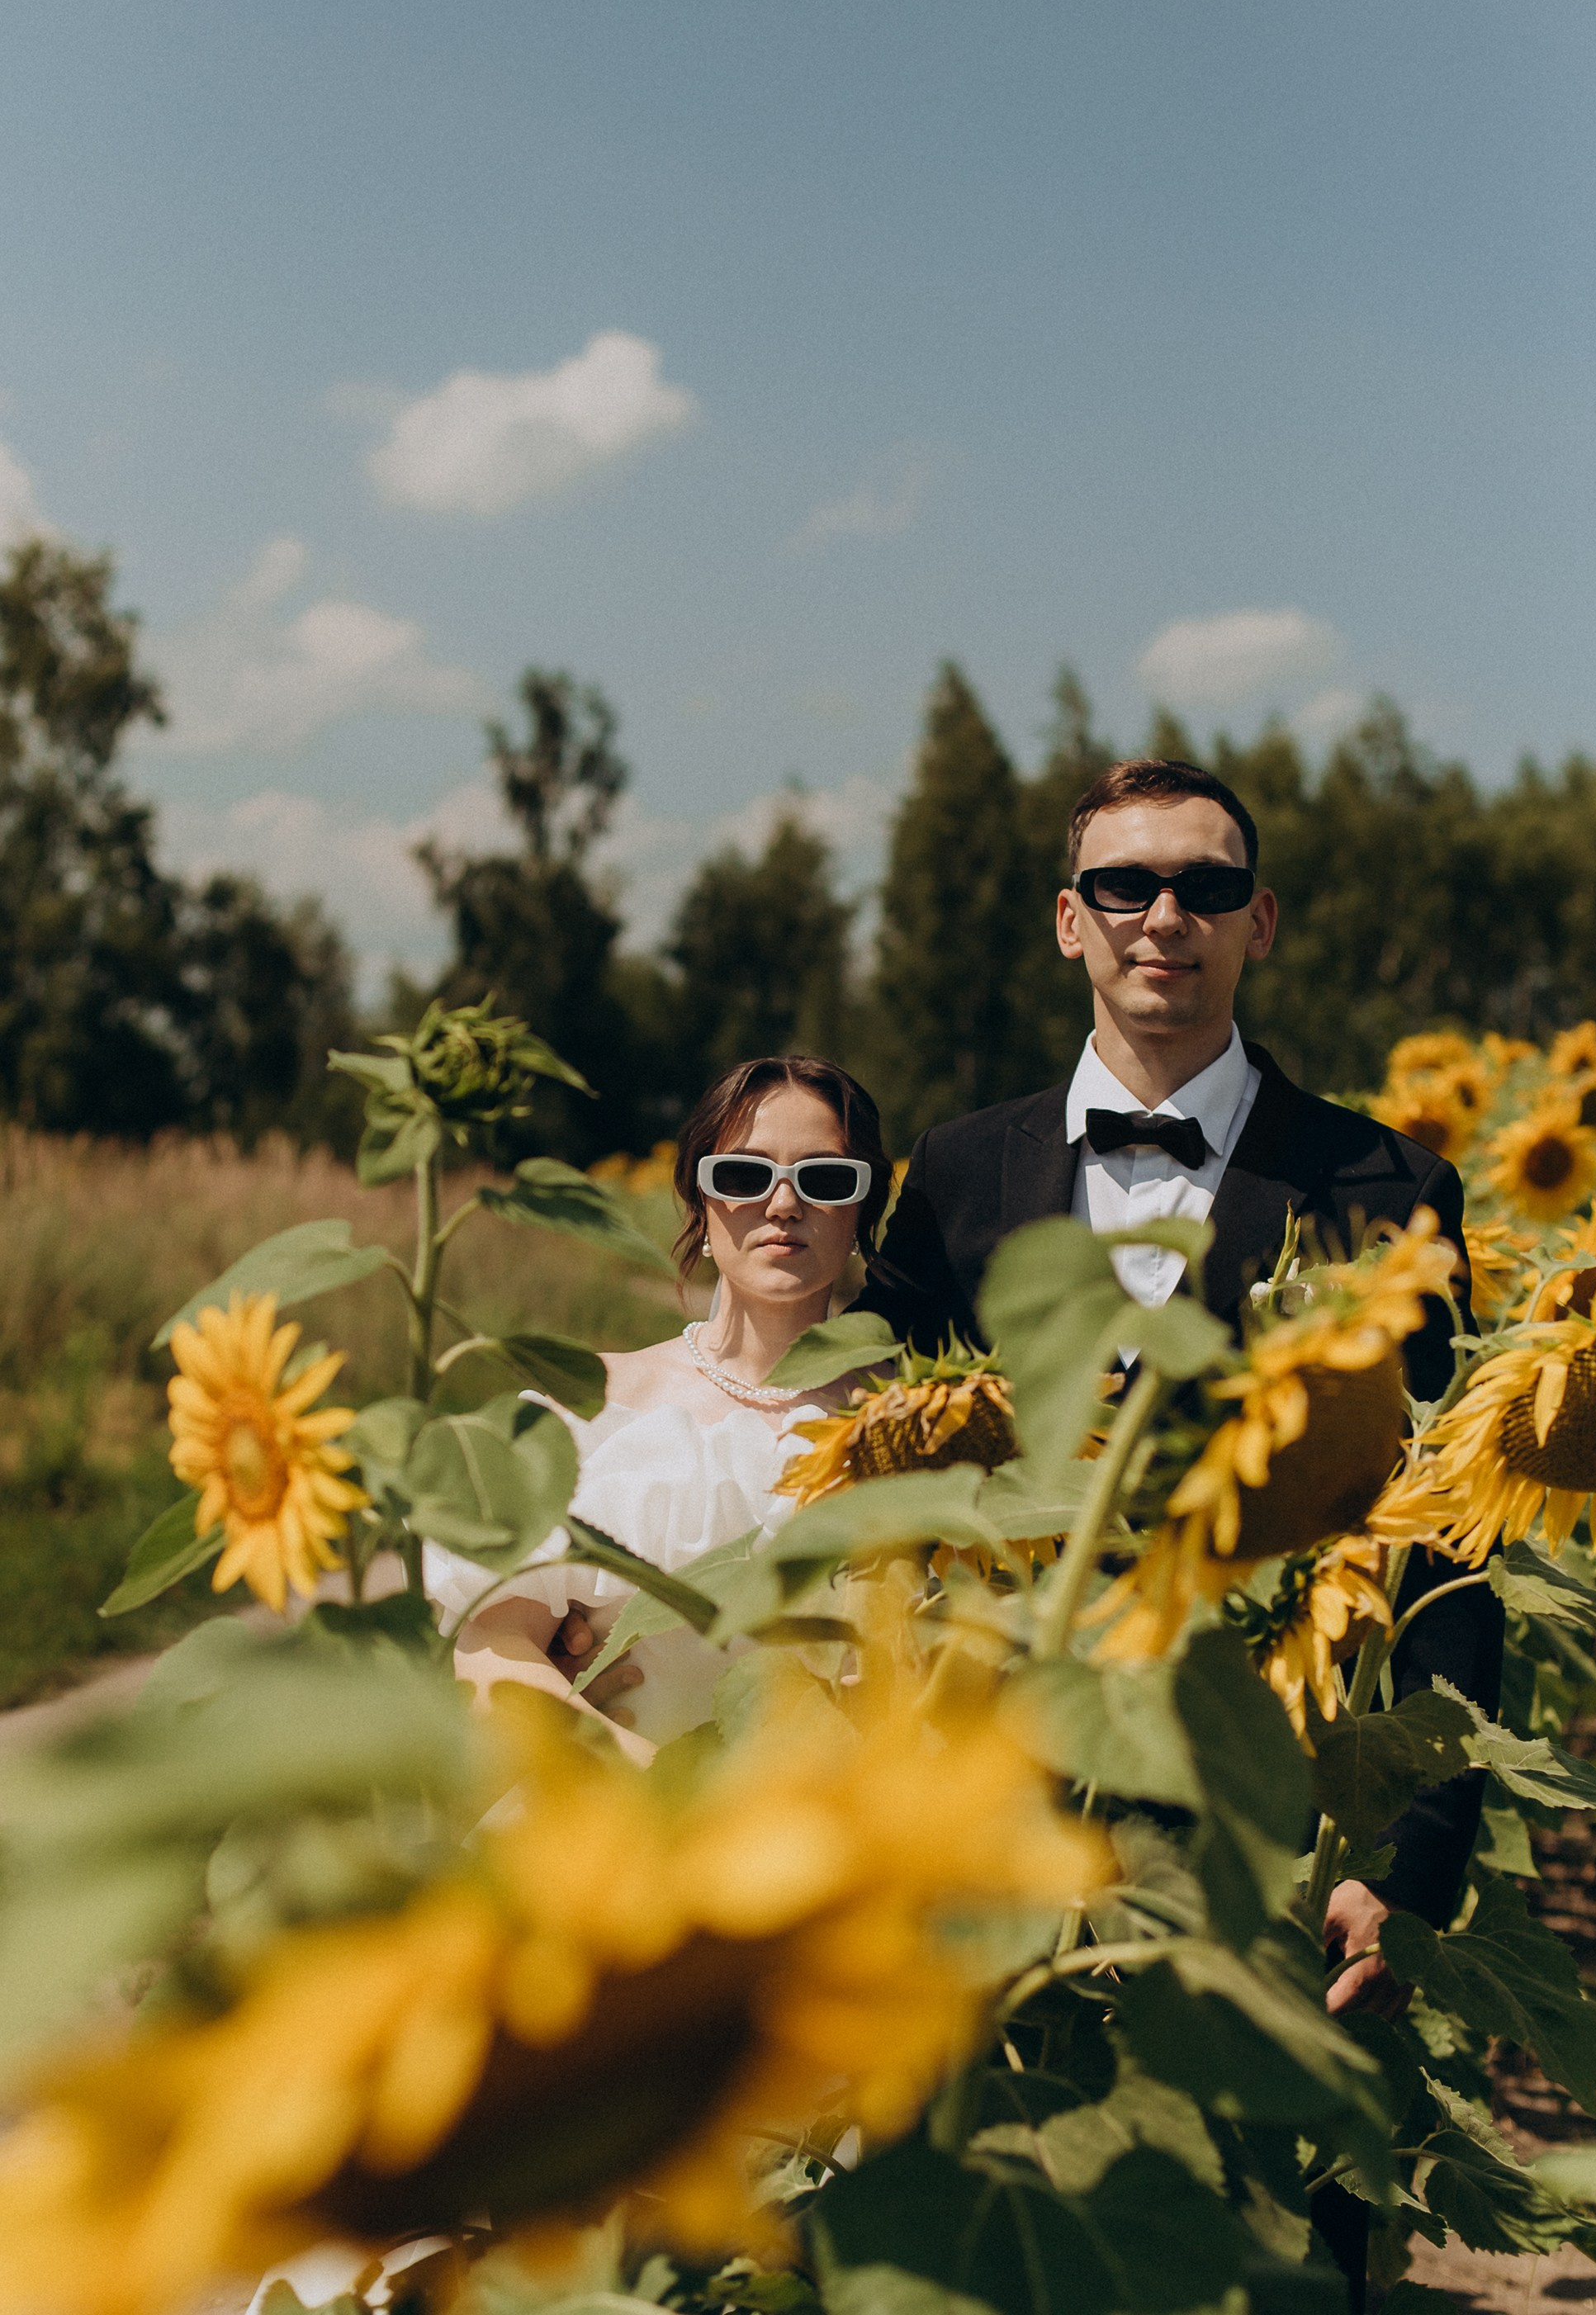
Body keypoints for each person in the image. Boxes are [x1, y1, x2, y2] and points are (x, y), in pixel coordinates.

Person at [856, 755, 1501, 2308]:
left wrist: (1412, 1863)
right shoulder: (954, 1178)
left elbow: (1452, 1542)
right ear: (1067, 924)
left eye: (1206, 886)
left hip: (1276, 1830)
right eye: (1127, 887)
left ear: (1259, 922)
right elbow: (872, 1470)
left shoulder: (1385, 1185)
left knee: (1276, 2253)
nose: (1167, 917)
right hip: (1003, 1820)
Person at [428, 1054, 892, 1762]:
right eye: (744, 1175)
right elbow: (492, 1653)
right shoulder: (592, 1410)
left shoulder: (911, 1426)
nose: (784, 1204)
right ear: (699, 1203)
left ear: (862, 1212)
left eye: (825, 1179)